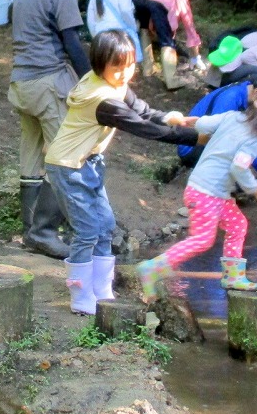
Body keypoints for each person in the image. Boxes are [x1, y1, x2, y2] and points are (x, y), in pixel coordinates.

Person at [44, 30, 201, 315]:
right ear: (99, 65)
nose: (125, 73)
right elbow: (144, 128)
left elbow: (142, 110)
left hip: (89, 162)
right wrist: (194, 138)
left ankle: (102, 289)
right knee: (87, 230)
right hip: (67, 166)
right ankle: (80, 296)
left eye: (129, 65)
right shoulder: (102, 98)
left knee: (105, 226)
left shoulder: (114, 84)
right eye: (117, 67)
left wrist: (168, 117)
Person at [136, 85, 257, 300]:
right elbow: (238, 166)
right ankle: (153, 268)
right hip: (206, 192)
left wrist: (191, 121)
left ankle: (233, 276)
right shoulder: (254, 140)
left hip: (213, 192)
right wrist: (256, 190)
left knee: (238, 225)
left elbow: (204, 123)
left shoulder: (232, 117)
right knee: (202, 240)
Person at [9, 0, 92, 259]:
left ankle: (30, 230)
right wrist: (92, 82)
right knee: (64, 157)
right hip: (48, 84)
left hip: (22, 83)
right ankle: (44, 232)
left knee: (32, 156)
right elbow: (72, 43)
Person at [176, 72, 257, 186]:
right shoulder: (231, 99)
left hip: (206, 141)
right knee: (241, 176)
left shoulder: (246, 95)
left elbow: (248, 139)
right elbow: (228, 139)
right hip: (192, 147)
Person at [129, 0, 203, 90]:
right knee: (167, 40)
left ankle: (148, 69)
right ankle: (171, 80)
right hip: (158, 3)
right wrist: (195, 57)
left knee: (144, 29)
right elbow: (190, 28)